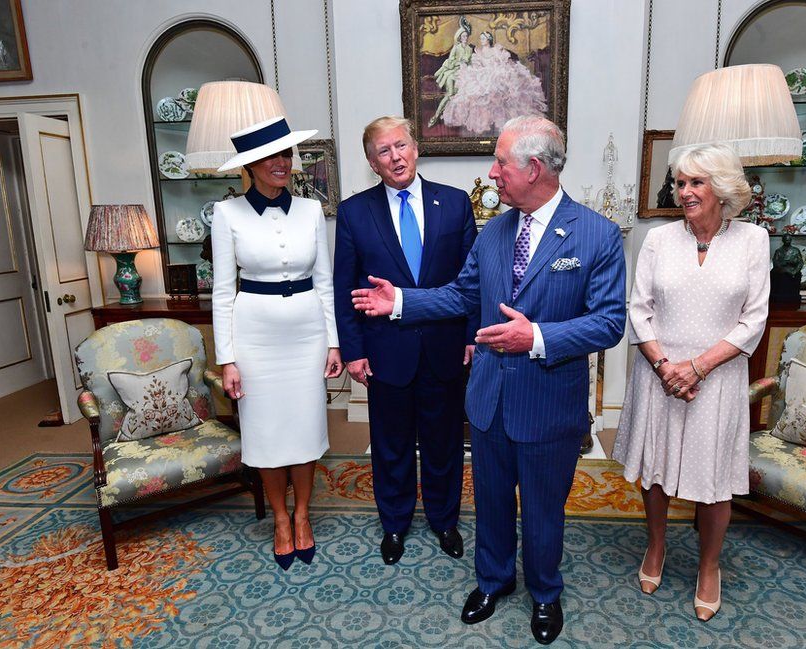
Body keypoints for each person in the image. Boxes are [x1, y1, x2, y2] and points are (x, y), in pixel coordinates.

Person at [352, 115, 626, 645]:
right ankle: (493, 580)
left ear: (535, 168)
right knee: (493, 501)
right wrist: (402, 302)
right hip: (489, 401)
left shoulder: (596, 234)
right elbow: (461, 294)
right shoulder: (497, 231)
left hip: (548, 403)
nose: (492, 171)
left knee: (544, 511)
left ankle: (545, 592)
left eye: (501, 162)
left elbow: (610, 321)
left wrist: (537, 338)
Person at [611, 142, 769, 621]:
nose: (684, 192)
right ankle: (656, 547)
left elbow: (754, 319)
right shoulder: (658, 239)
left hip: (716, 378)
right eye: (680, 183)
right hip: (658, 374)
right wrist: (666, 367)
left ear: (721, 188)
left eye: (696, 182)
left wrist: (697, 367)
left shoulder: (752, 240)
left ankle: (708, 566)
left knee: (716, 479)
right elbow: (638, 309)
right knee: (656, 469)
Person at [333, 116, 478, 566]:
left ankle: (444, 520)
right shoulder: (355, 212)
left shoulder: (454, 204)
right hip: (385, 351)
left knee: (444, 442)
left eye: (401, 146)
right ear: (372, 162)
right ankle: (394, 523)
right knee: (391, 444)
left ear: (416, 148)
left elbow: (472, 282)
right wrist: (354, 351)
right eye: (383, 151)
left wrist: (472, 335)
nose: (395, 157)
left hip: (445, 347)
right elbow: (345, 287)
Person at [211, 116, 343, 571]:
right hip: (255, 339)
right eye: (271, 155)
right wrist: (226, 358)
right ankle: (281, 520)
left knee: (305, 429)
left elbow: (325, 281)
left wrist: (333, 342)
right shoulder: (226, 214)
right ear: (250, 164)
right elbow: (223, 292)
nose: (282, 163)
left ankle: (304, 515)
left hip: (307, 334)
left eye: (286, 154)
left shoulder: (310, 210)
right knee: (267, 432)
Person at [441, 31, 548, 135]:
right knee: (475, 90)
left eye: (483, 38)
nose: (481, 40)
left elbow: (502, 61)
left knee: (499, 85)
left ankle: (498, 122)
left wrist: (496, 68)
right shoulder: (478, 51)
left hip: (495, 72)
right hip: (482, 74)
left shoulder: (495, 50)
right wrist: (480, 69)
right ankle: (483, 121)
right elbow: (477, 64)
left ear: (489, 40)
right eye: (481, 38)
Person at [427, 20, 473, 128]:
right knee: (450, 95)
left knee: (467, 94)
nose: (465, 38)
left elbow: (470, 63)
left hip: (465, 73)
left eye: (466, 36)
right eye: (463, 36)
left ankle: (462, 119)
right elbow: (450, 61)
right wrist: (460, 61)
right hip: (453, 72)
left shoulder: (469, 49)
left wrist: (468, 64)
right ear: (459, 38)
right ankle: (436, 116)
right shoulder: (456, 48)